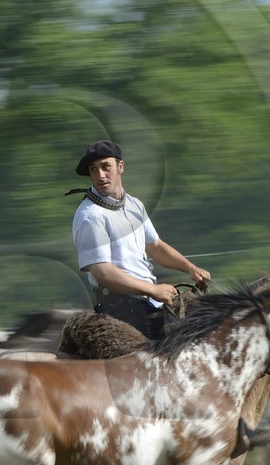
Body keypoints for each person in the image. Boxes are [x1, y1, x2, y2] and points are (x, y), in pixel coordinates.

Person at [71, 139, 210, 340]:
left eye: (105, 167)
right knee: (182, 345)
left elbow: (155, 246)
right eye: (93, 169)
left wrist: (190, 268)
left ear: (120, 167)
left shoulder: (134, 205)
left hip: (147, 303)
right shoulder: (90, 216)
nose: (100, 175)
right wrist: (153, 289)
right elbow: (102, 272)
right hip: (119, 308)